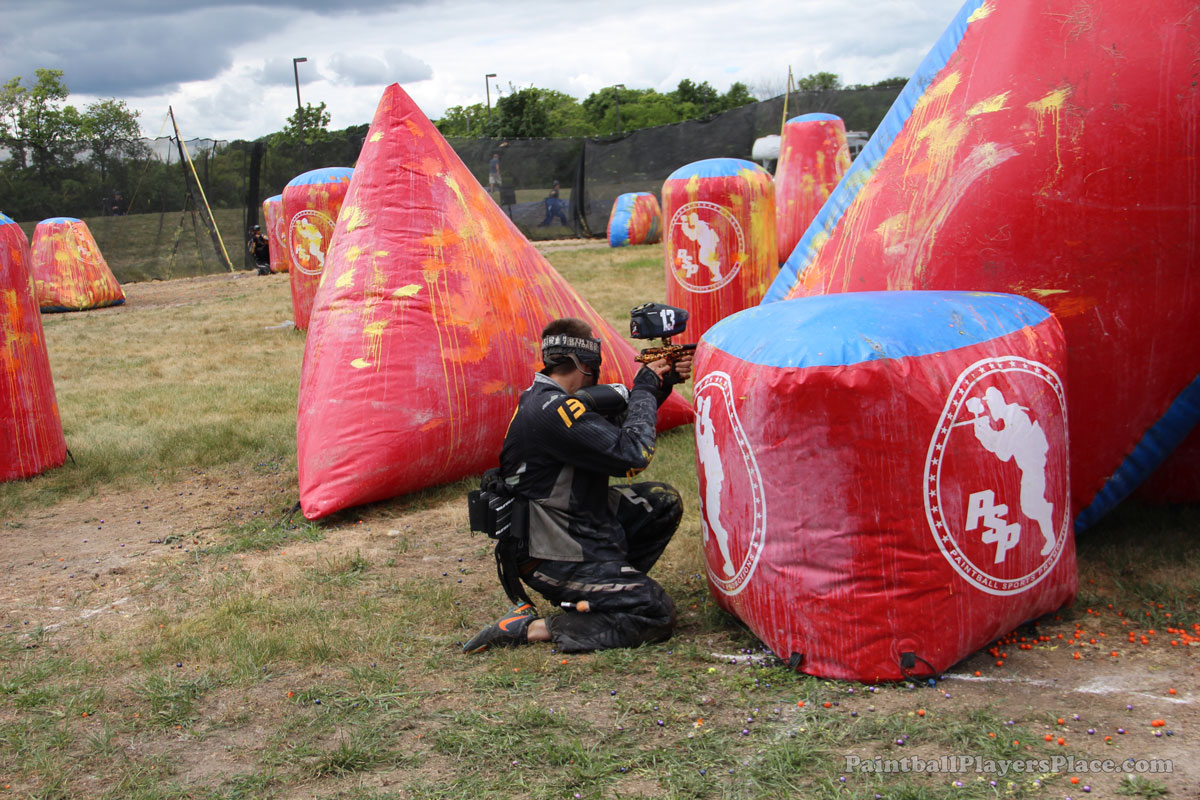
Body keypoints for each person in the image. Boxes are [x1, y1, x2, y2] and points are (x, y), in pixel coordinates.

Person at [462, 317, 692, 654]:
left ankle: (606, 588)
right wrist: (643, 389)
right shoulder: (552, 410)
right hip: (550, 552)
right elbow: (633, 454)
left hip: (575, 524)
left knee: (661, 502)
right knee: (655, 612)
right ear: (586, 362)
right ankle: (531, 628)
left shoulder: (549, 400)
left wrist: (660, 386)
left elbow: (614, 429)